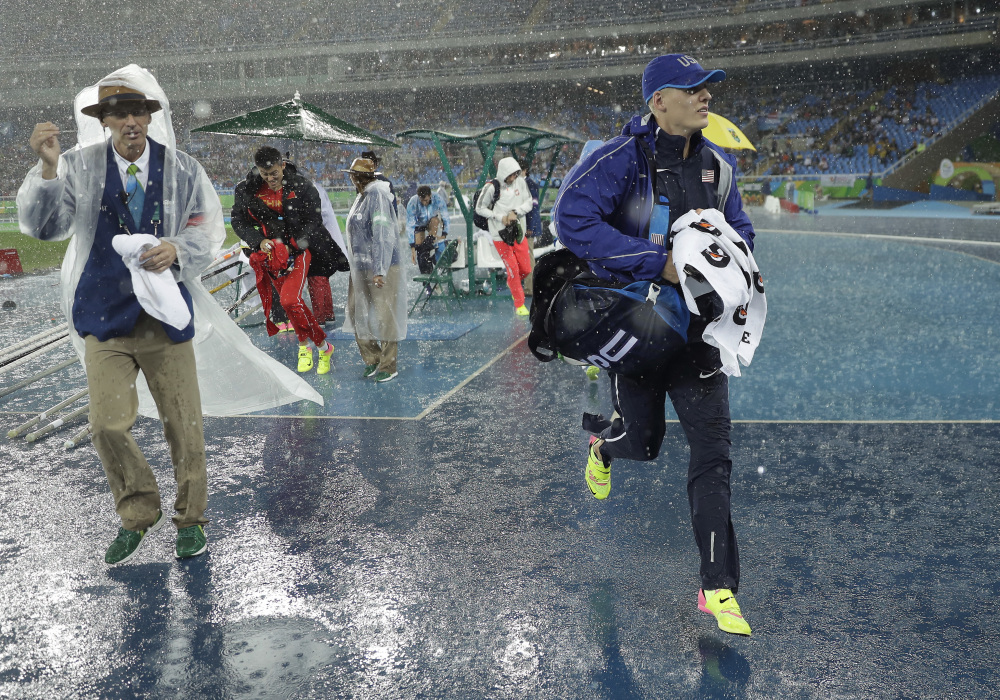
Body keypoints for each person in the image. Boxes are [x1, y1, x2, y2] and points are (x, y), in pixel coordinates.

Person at [16, 64, 323, 566]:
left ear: (148, 116)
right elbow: (46, 227)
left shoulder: (182, 169)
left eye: (137, 111)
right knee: (106, 426)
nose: (130, 121)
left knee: (184, 425)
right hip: (104, 317)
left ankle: (191, 519)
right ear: (105, 121)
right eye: (119, 114)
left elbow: (208, 228)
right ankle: (138, 511)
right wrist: (48, 169)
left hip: (164, 317)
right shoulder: (77, 165)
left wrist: (177, 249)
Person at [553, 53, 756, 637]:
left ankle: (717, 587)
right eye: (693, 88)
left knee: (713, 457)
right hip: (637, 332)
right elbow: (573, 222)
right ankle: (604, 447)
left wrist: (736, 275)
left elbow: (740, 233)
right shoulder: (618, 160)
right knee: (643, 445)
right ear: (658, 101)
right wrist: (657, 262)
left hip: (699, 338)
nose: (706, 96)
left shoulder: (719, 168)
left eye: (710, 87)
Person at [231, 146, 348, 374]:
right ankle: (324, 348)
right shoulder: (247, 190)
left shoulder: (302, 187)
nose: (271, 179)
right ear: (258, 170)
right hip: (269, 258)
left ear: (282, 165)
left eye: (274, 173)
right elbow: (238, 221)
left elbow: (314, 221)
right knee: (295, 304)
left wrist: (292, 245)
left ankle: (304, 346)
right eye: (265, 175)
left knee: (288, 301)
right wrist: (259, 241)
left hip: (298, 253)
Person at [342, 158, 407, 383]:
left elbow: (382, 234)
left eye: (353, 174)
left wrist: (380, 268)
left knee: (384, 314)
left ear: (358, 177)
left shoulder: (377, 195)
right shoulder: (361, 198)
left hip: (382, 267)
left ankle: (389, 364)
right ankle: (373, 358)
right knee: (355, 311)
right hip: (360, 266)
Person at [475, 156, 533, 316]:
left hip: (519, 233)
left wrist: (516, 212)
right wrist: (500, 217)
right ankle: (519, 304)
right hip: (500, 235)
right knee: (513, 269)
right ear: (504, 173)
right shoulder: (491, 187)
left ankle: (512, 282)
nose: (514, 177)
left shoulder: (521, 182)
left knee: (526, 269)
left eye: (516, 174)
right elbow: (479, 208)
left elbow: (529, 202)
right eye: (512, 174)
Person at [405, 184, 450, 274]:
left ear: (430, 196)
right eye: (421, 201)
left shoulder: (437, 198)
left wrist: (444, 234)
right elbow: (410, 225)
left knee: (435, 221)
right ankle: (426, 271)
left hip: (431, 221)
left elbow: (445, 216)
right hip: (418, 223)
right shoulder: (413, 202)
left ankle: (431, 245)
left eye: (426, 200)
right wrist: (413, 247)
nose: (424, 203)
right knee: (420, 250)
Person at [521, 163, 542, 296]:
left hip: (527, 228)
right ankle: (526, 287)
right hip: (521, 227)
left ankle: (530, 287)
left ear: (525, 170)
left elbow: (534, 208)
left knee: (528, 257)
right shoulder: (519, 184)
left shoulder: (530, 184)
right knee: (524, 257)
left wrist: (530, 227)